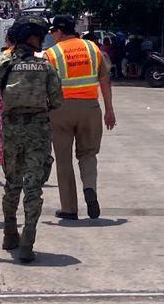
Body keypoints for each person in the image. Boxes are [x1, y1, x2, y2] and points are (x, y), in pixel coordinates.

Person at [0, 17, 64, 263]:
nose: (41, 41)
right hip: (38, 131)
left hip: (10, 131)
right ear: (32, 37)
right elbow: (57, 101)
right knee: (33, 188)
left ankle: (9, 233)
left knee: (12, 183)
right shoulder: (46, 65)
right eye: (39, 36)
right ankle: (28, 243)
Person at [44, 15, 117, 220]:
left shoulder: (52, 53)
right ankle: (89, 188)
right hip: (90, 108)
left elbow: (44, 86)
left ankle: (69, 209)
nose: (52, 35)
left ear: (59, 31)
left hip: (60, 111)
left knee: (64, 160)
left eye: (53, 31)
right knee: (88, 154)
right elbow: (105, 80)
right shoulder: (93, 49)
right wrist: (109, 110)